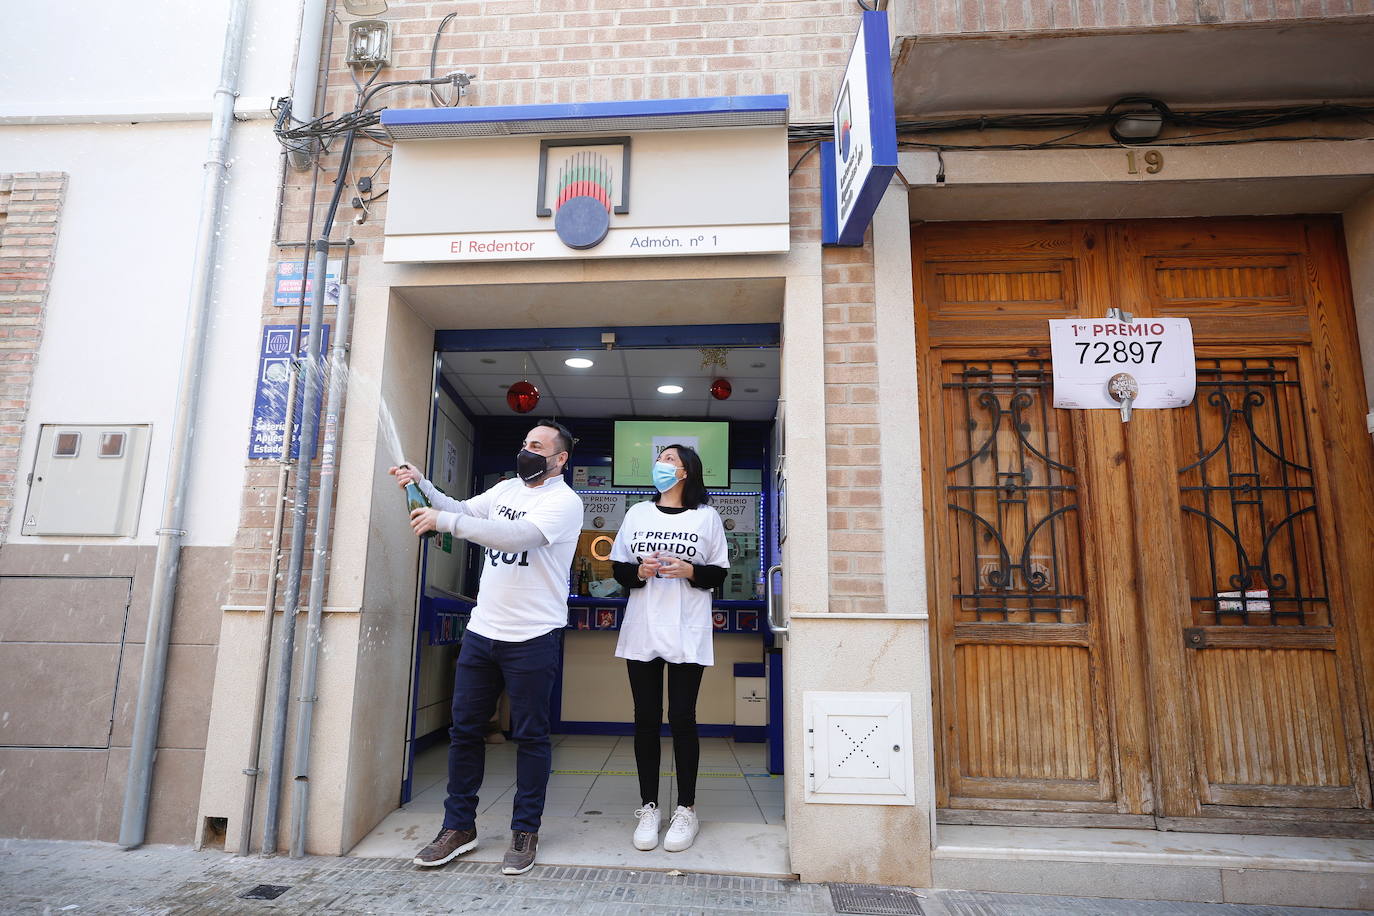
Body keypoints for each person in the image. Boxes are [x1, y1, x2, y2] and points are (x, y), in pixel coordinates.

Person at [391, 420, 583, 876]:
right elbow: (461, 509)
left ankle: (525, 830)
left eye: (537, 446)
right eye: (524, 444)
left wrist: (448, 522)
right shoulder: (504, 490)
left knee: (531, 736)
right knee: (464, 732)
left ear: (559, 459)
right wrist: (422, 484)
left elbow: (519, 537)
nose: (526, 452)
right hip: (483, 631)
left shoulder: (564, 502)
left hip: (534, 635)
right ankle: (459, 827)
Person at [609, 444, 729, 852]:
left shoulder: (706, 517)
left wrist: (691, 570)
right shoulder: (637, 513)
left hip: (687, 629)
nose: (661, 465)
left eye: (670, 460)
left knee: (682, 718)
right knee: (645, 718)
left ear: (686, 472)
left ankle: (686, 809)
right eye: (660, 459)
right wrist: (639, 571)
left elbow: (720, 573)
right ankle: (649, 807)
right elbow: (619, 568)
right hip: (643, 627)